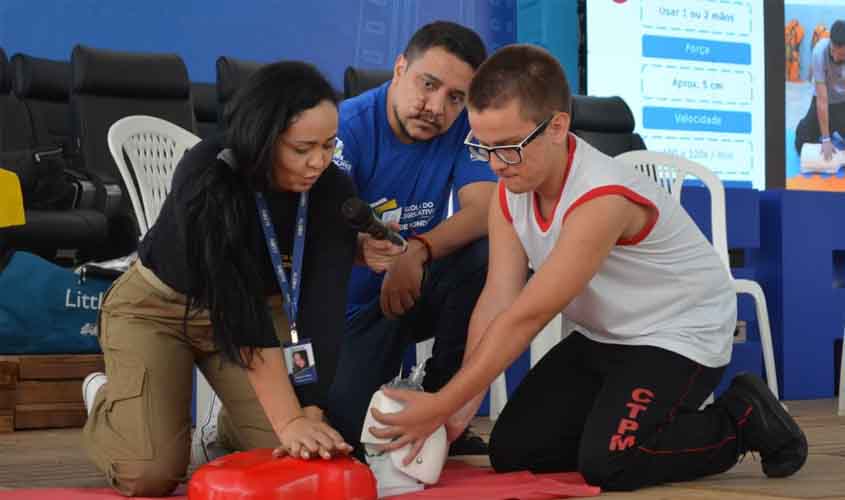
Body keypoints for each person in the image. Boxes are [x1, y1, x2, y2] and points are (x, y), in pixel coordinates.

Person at [369, 44, 808, 491]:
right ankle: (624, 424)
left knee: (611, 464)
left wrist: (442, 404)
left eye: (509, 147)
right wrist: (458, 413)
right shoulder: (509, 190)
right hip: (606, 336)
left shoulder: (601, 198)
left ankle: (741, 417)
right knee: (514, 452)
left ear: (557, 127)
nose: (497, 165)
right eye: (484, 148)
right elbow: (498, 298)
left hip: (678, 335)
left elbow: (529, 314)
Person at [81, 62, 358, 497]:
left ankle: (232, 424)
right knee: (149, 474)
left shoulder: (334, 190)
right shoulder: (208, 174)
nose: (319, 162)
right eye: (303, 148)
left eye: (328, 145)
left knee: (290, 455)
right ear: (264, 138)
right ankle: (106, 401)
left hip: (258, 315)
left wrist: (312, 410)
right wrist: (289, 419)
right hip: (157, 309)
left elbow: (321, 306)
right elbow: (237, 301)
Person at [327, 20, 496, 456]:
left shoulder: (464, 129)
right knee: (350, 435)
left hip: (412, 289)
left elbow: (482, 212)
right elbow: (324, 230)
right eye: (428, 84)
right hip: (341, 312)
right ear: (400, 67)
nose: (436, 107)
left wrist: (417, 252)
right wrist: (372, 255)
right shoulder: (346, 128)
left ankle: (441, 404)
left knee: (487, 255)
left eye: (455, 97)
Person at [795, 19, 845, 159]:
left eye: (841, 55)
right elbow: (822, 100)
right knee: (801, 143)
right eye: (833, 51)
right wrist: (826, 139)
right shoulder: (819, 52)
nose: (835, 57)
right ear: (830, 42)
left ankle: (833, 127)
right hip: (825, 99)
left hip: (842, 103)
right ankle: (814, 127)